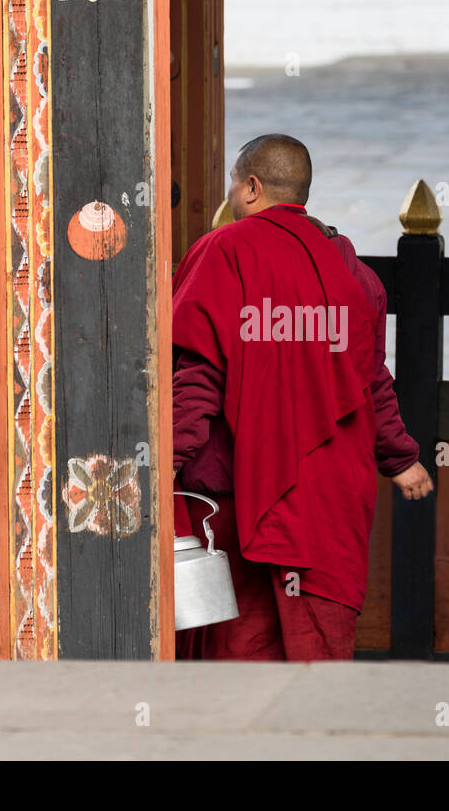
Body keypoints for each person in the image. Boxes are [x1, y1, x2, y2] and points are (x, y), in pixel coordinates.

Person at [172, 133, 432, 661]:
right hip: (327, 497)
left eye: (232, 184)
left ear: (251, 186)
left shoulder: (223, 252)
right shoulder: (354, 274)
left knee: (240, 647)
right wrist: (400, 458)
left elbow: (197, 375)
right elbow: (372, 377)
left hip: (241, 492)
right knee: (318, 647)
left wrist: (164, 463)